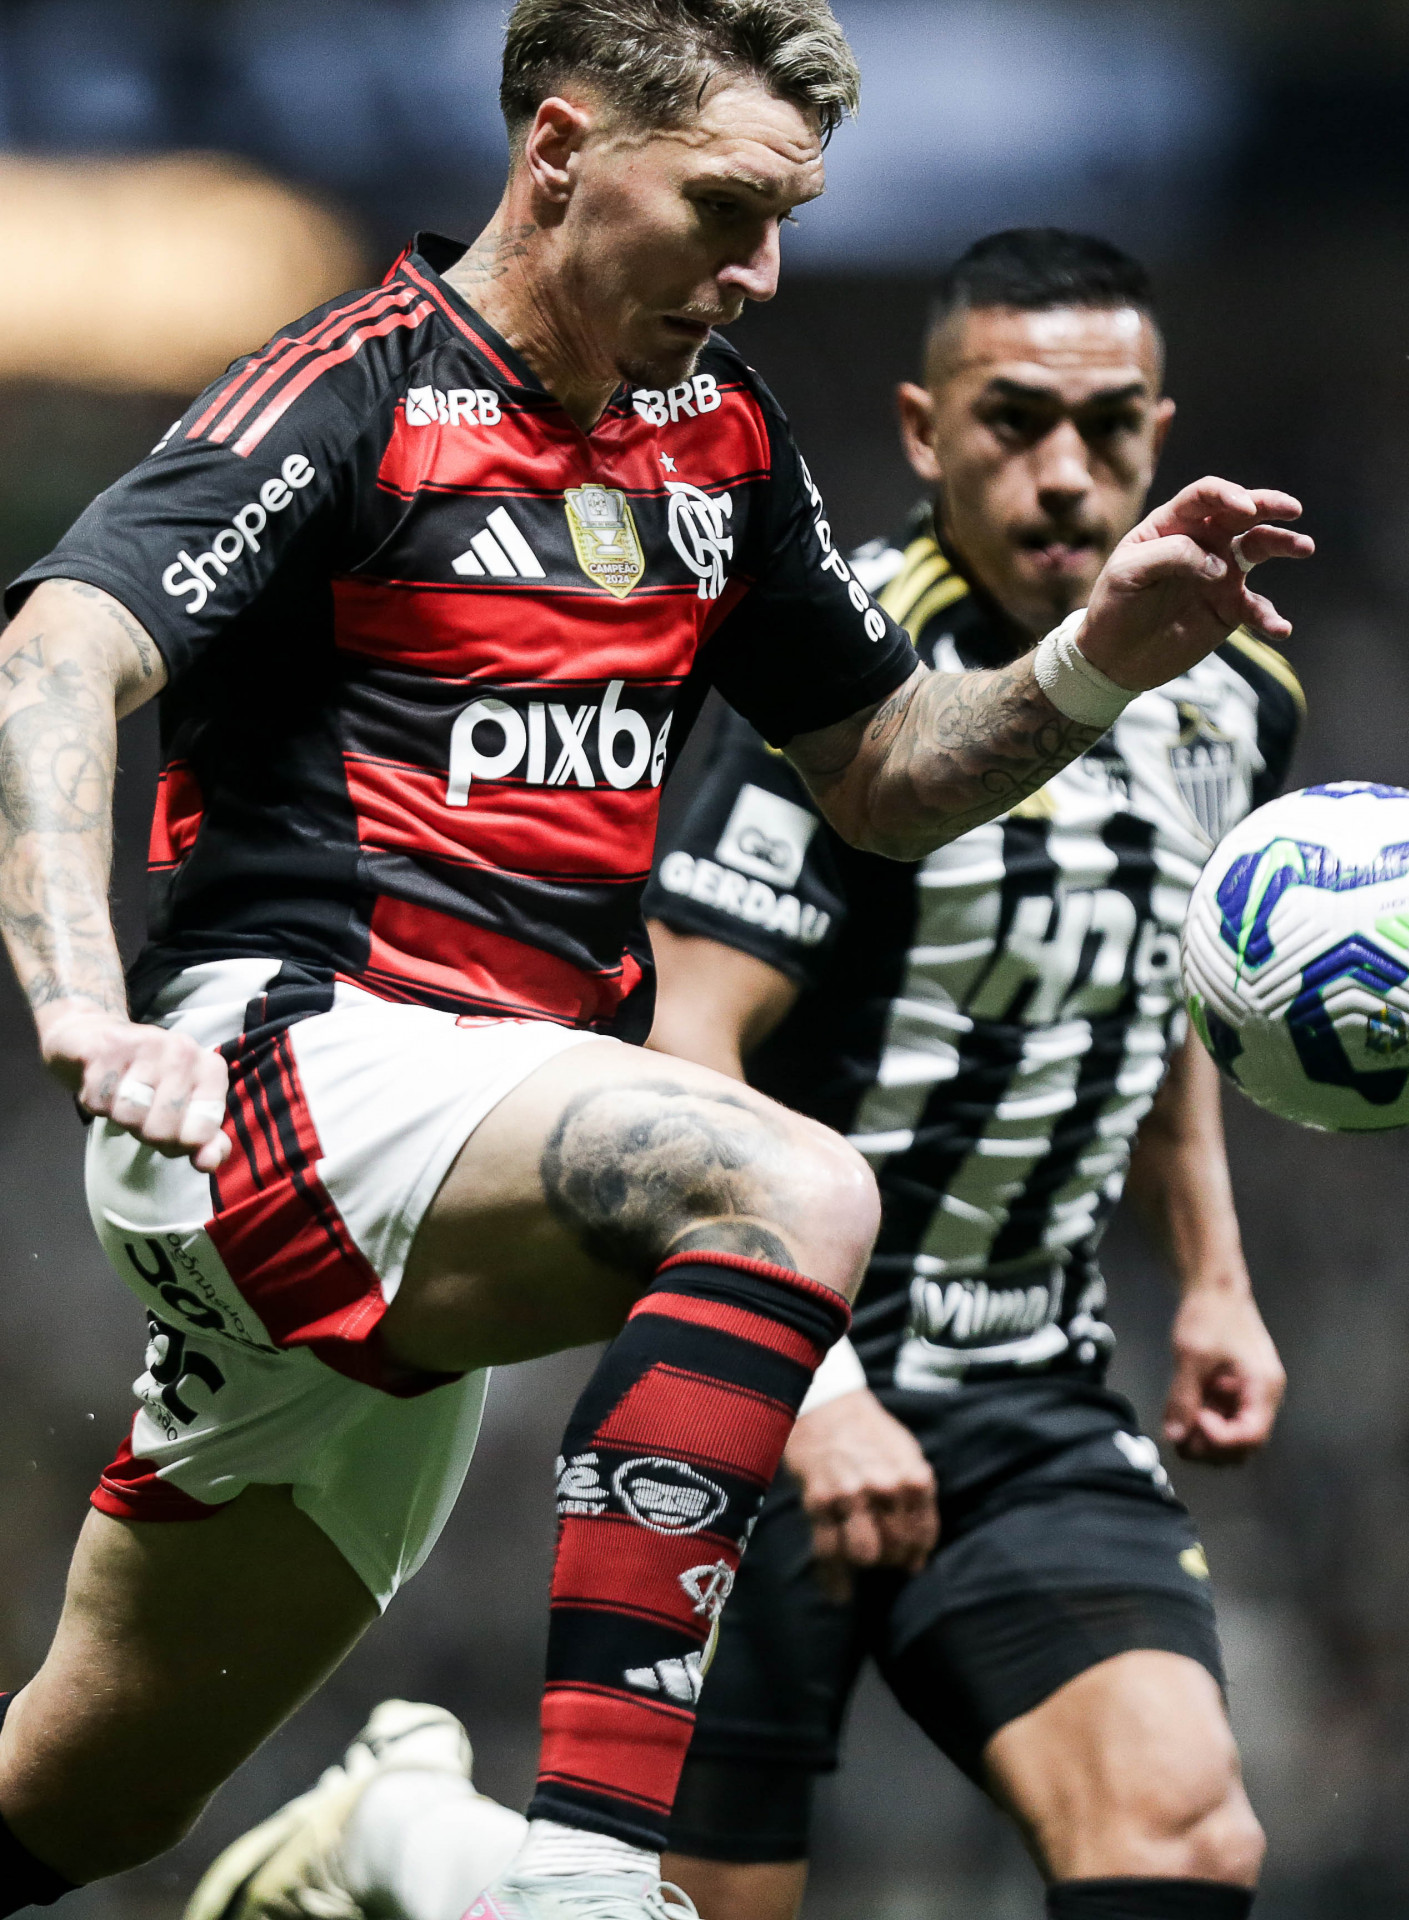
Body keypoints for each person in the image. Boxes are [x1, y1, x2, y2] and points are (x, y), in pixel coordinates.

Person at [0, 0, 1308, 1907]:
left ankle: (397, 1837)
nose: (762, 270)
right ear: (557, 153)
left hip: (458, 1162)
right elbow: (58, 648)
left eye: (788, 219)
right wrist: (78, 1005)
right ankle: (591, 1873)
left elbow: (881, 774)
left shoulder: (718, 448)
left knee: (83, 1798)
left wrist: (1098, 650)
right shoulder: (358, 394)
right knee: (784, 1178)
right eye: (723, 207)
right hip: (280, 1077)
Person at [639, 230, 1301, 1920]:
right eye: (1014, 422)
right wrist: (825, 1391)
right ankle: (395, 1857)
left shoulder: (1241, 697)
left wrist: (1215, 1277)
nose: (1067, 476)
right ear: (928, 433)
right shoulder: (841, 684)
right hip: (776, 1373)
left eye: (1108, 427)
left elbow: (1165, 998)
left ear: (1165, 423)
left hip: (1030, 1391)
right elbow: (683, 1050)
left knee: (1184, 1833)